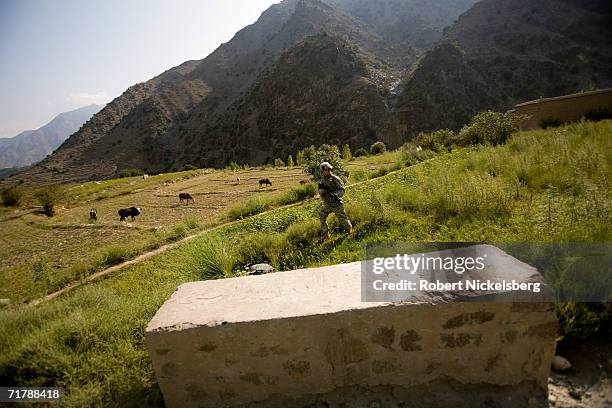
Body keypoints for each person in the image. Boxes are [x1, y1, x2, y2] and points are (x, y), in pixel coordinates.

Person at [318, 161, 352, 241]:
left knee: (343, 219)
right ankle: (326, 235)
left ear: (329, 170)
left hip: (336, 203)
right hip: (327, 203)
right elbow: (320, 190)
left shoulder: (335, 179)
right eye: (322, 171)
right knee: (321, 215)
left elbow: (342, 190)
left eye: (324, 170)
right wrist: (321, 191)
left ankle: (349, 232)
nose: (323, 172)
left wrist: (335, 195)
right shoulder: (322, 181)